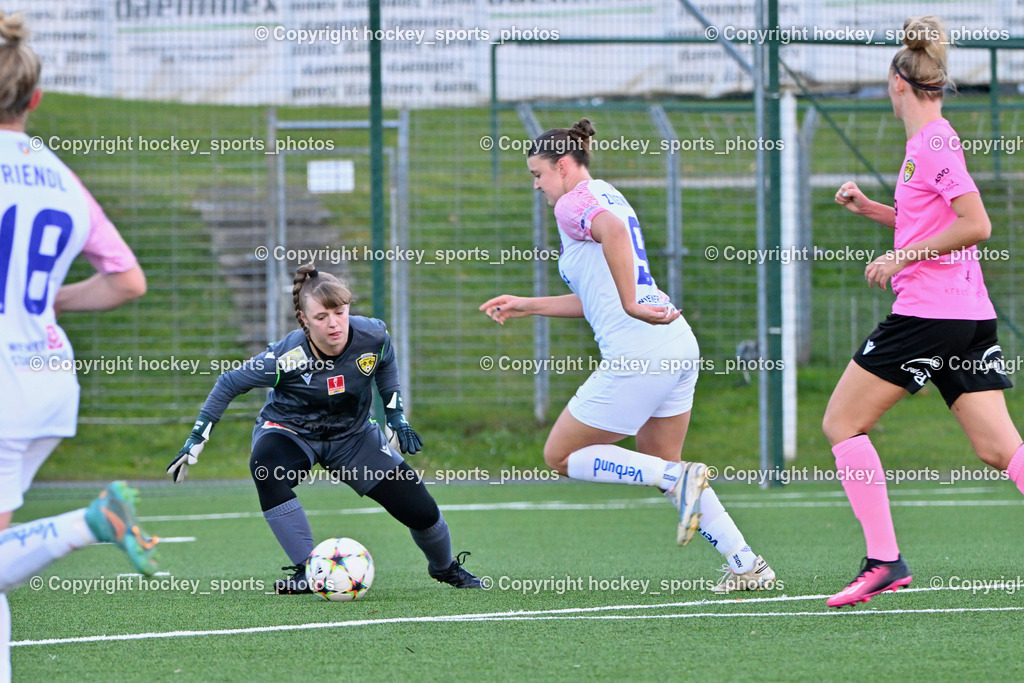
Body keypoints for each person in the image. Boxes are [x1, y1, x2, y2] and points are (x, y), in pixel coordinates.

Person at [480, 119, 775, 593]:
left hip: (640, 351)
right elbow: (600, 297)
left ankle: (681, 480)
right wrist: (528, 305)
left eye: (538, 174)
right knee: (660, 463)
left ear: (562, 166)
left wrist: (633, 305)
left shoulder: (573, 203)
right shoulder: (607, 192)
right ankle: (746, 564)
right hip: (675, 342)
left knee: (560, 455)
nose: (536, 185)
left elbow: (615, 236)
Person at [825, 15, 1024, 608]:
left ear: (897, 83)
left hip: (929, 317)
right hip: (966, 315)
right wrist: (873, 210)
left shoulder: (934, 142)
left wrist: (900, 257)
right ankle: (884, 562)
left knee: (841, 424)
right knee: (1001, 450)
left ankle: (884, 561)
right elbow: (931, 222)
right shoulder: (928, 144)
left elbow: (976, 224)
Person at [0, 11, 157, 681]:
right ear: (33, 99)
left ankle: (89, 523)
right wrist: (46, 302)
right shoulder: (60, 176)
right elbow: (127, 281)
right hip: (44, 377)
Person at [168, 264, 481, 592]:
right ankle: (308, 571)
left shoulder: (372, 335)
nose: (333, 323)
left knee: (422, 511)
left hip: (353, 437)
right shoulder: (286, 358)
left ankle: (445, 568)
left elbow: (385, 358)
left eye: (340, 312)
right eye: (321, 317)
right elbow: (229, 382)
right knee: (266, 468)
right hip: (292, 432)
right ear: (303, 319)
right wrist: (196, 438)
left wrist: (395, 416)